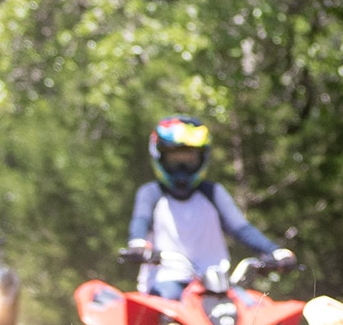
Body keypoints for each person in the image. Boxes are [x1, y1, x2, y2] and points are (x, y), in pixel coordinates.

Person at [122, 115, 295, 297]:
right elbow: (140, 222)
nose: (182, 168)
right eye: (175, 159)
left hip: (217, 283)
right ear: (160, 157)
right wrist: (137, 245)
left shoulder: (213, 193)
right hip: (165, 282)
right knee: (170, 311)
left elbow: (241, 228)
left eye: (189, 159)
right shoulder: (151, 193)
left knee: (251, 310)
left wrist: (275, 251)